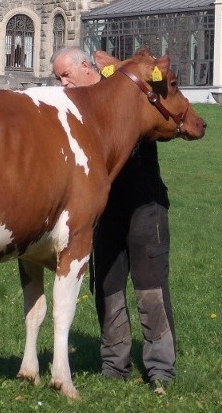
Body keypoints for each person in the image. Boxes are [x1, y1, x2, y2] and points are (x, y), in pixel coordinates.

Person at [51, 47, 176, 394]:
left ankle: (161, 369)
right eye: (57, 78)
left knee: (150, 286)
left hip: (143, 202)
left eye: (65, 75)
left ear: (86, 68)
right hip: (100, 209)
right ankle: (113, 365)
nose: (62, 82)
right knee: (108, 285)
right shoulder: (73, 106)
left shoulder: (128, 91)